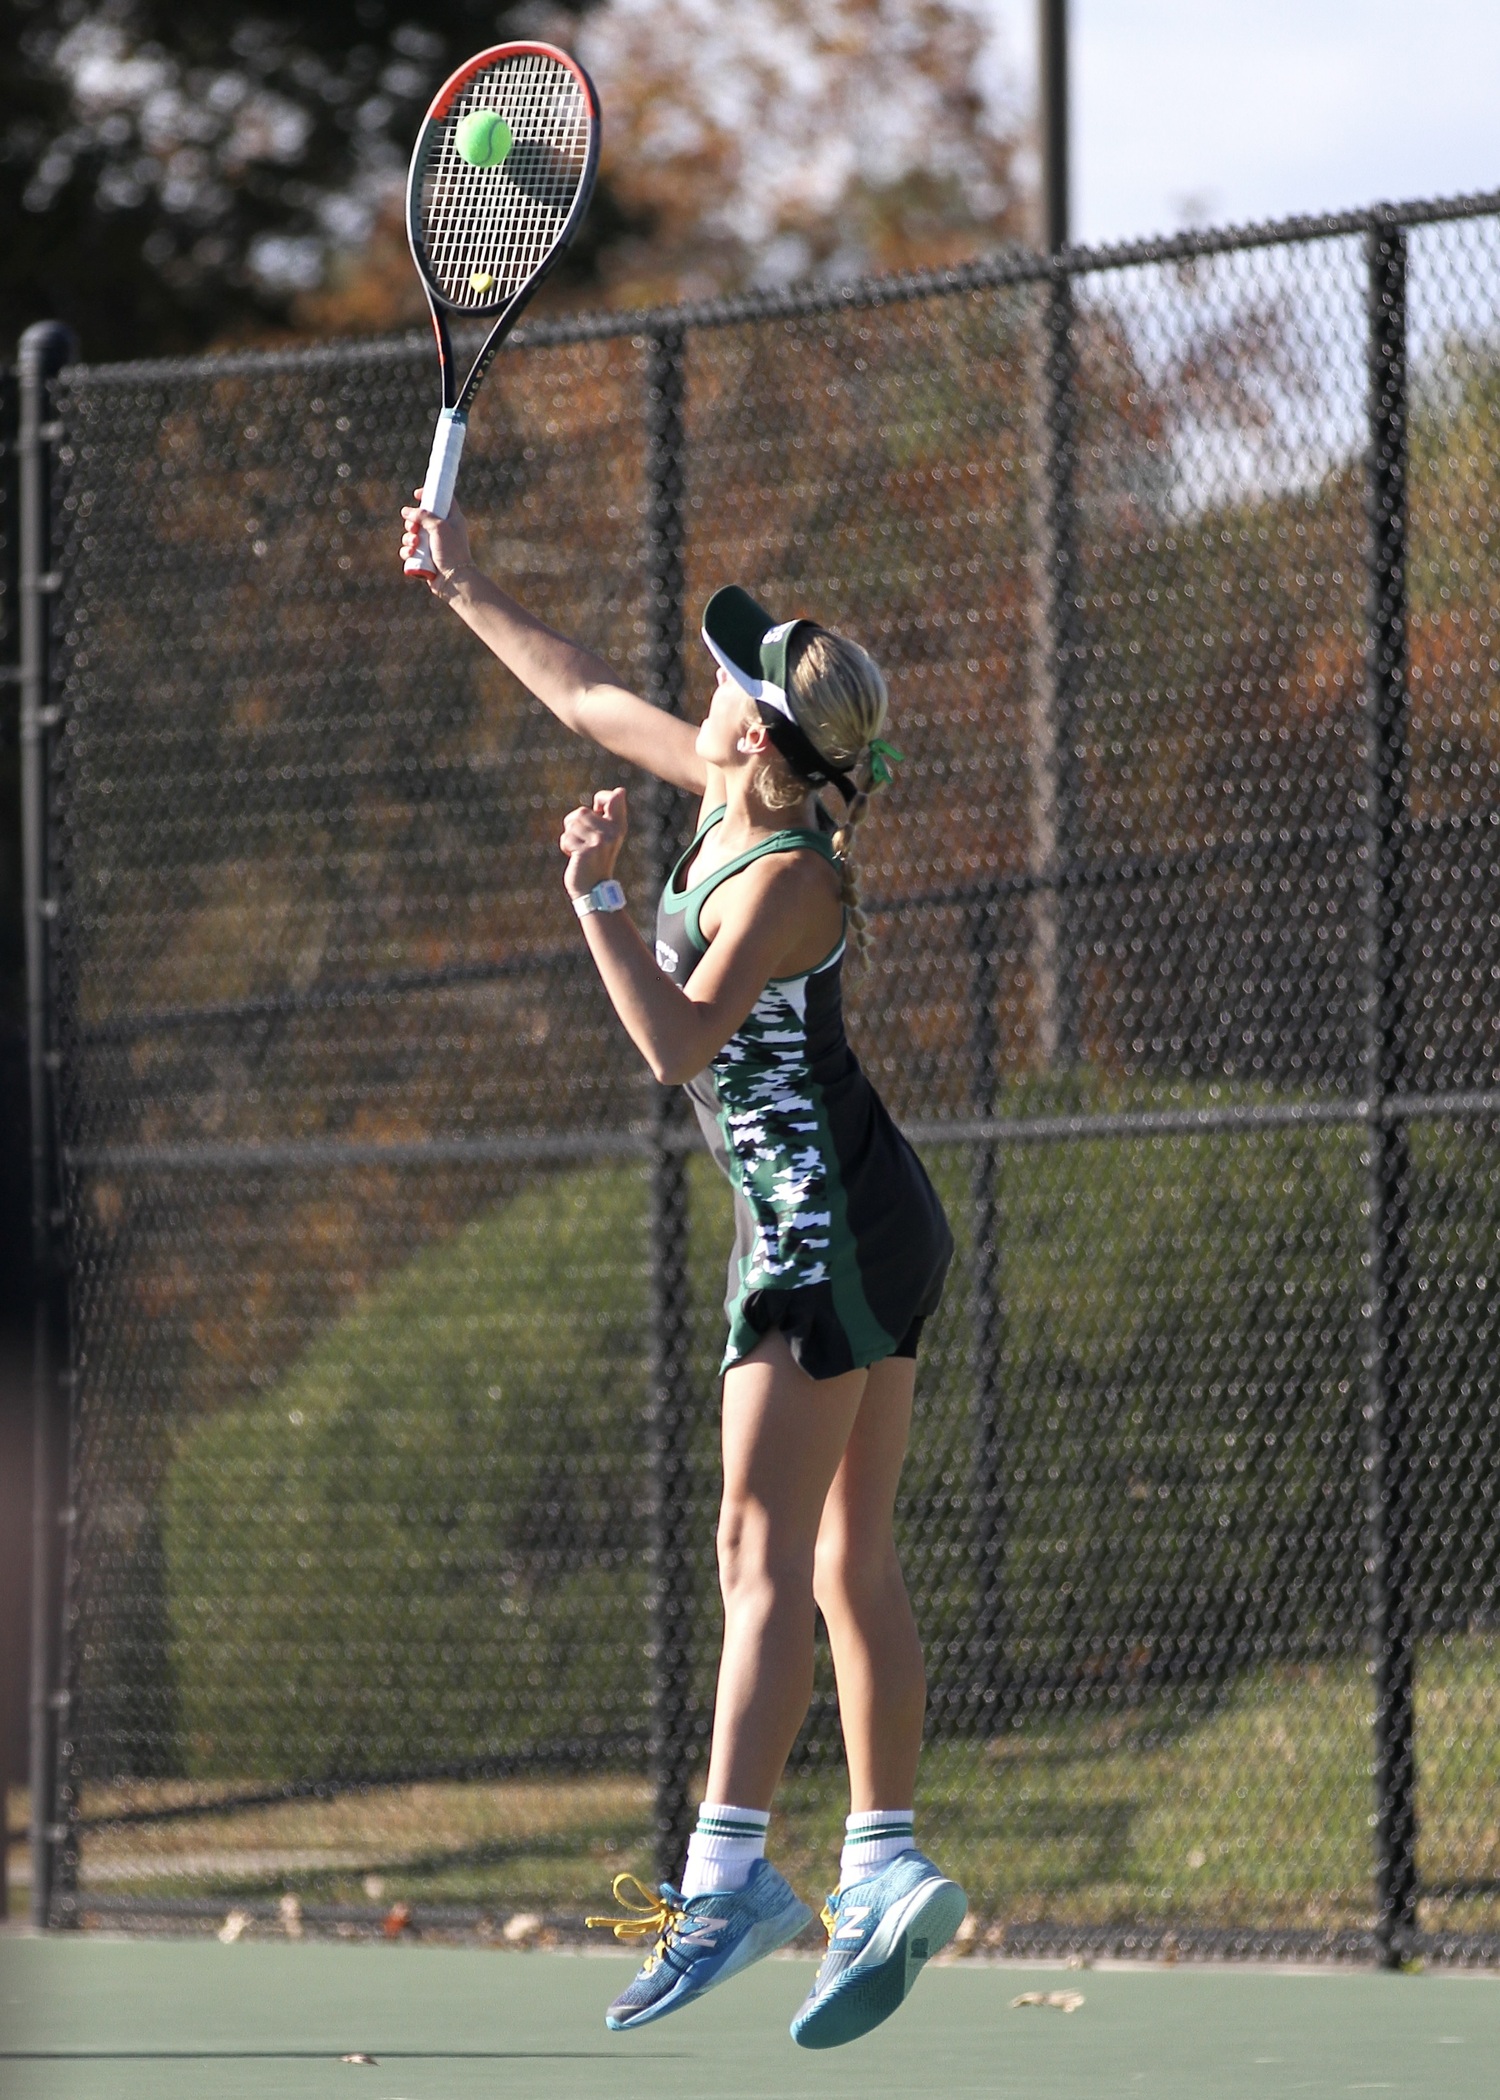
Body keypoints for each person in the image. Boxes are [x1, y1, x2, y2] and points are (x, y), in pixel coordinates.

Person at [399, 492, 964, 2049]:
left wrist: (589, 897)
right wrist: (462, 585)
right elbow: (580, 690)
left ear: (761, 743)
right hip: (849, 1214)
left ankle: (733, 1877)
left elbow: (674, 1045)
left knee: (756, 1547)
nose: (703, 690)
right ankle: (885, 1864)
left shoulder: (786, 874)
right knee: (841, 1557)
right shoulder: (724, 798)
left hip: (826, 1229)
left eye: (731, 685)